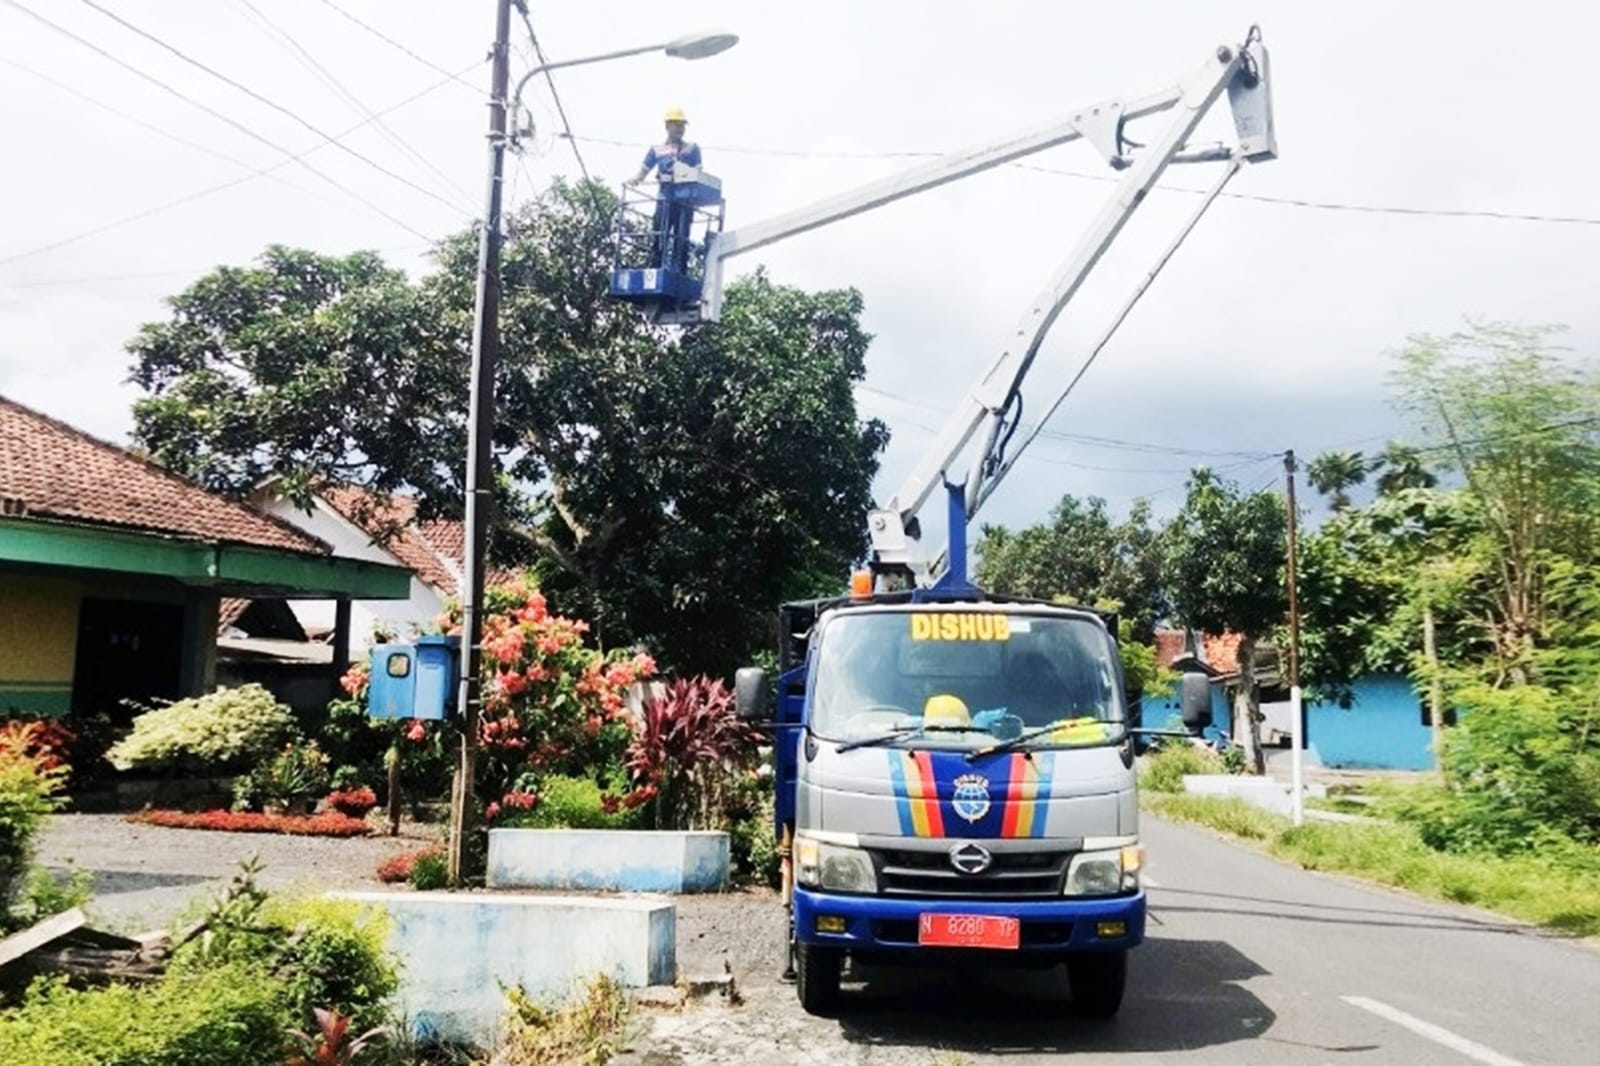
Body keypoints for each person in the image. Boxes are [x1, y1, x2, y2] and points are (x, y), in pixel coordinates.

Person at [625, 107, 702, 271]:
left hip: (684, 201)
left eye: (682, 126)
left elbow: (699, 173)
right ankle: (655, 268)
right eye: (677, 125)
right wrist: (634, 180)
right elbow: (643, 172)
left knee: (681, 237)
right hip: (664, 199)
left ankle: (680, 270)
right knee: (660, 233)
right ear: (668, 126)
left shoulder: (692, 149)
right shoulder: (657, 150)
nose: (680, 129)